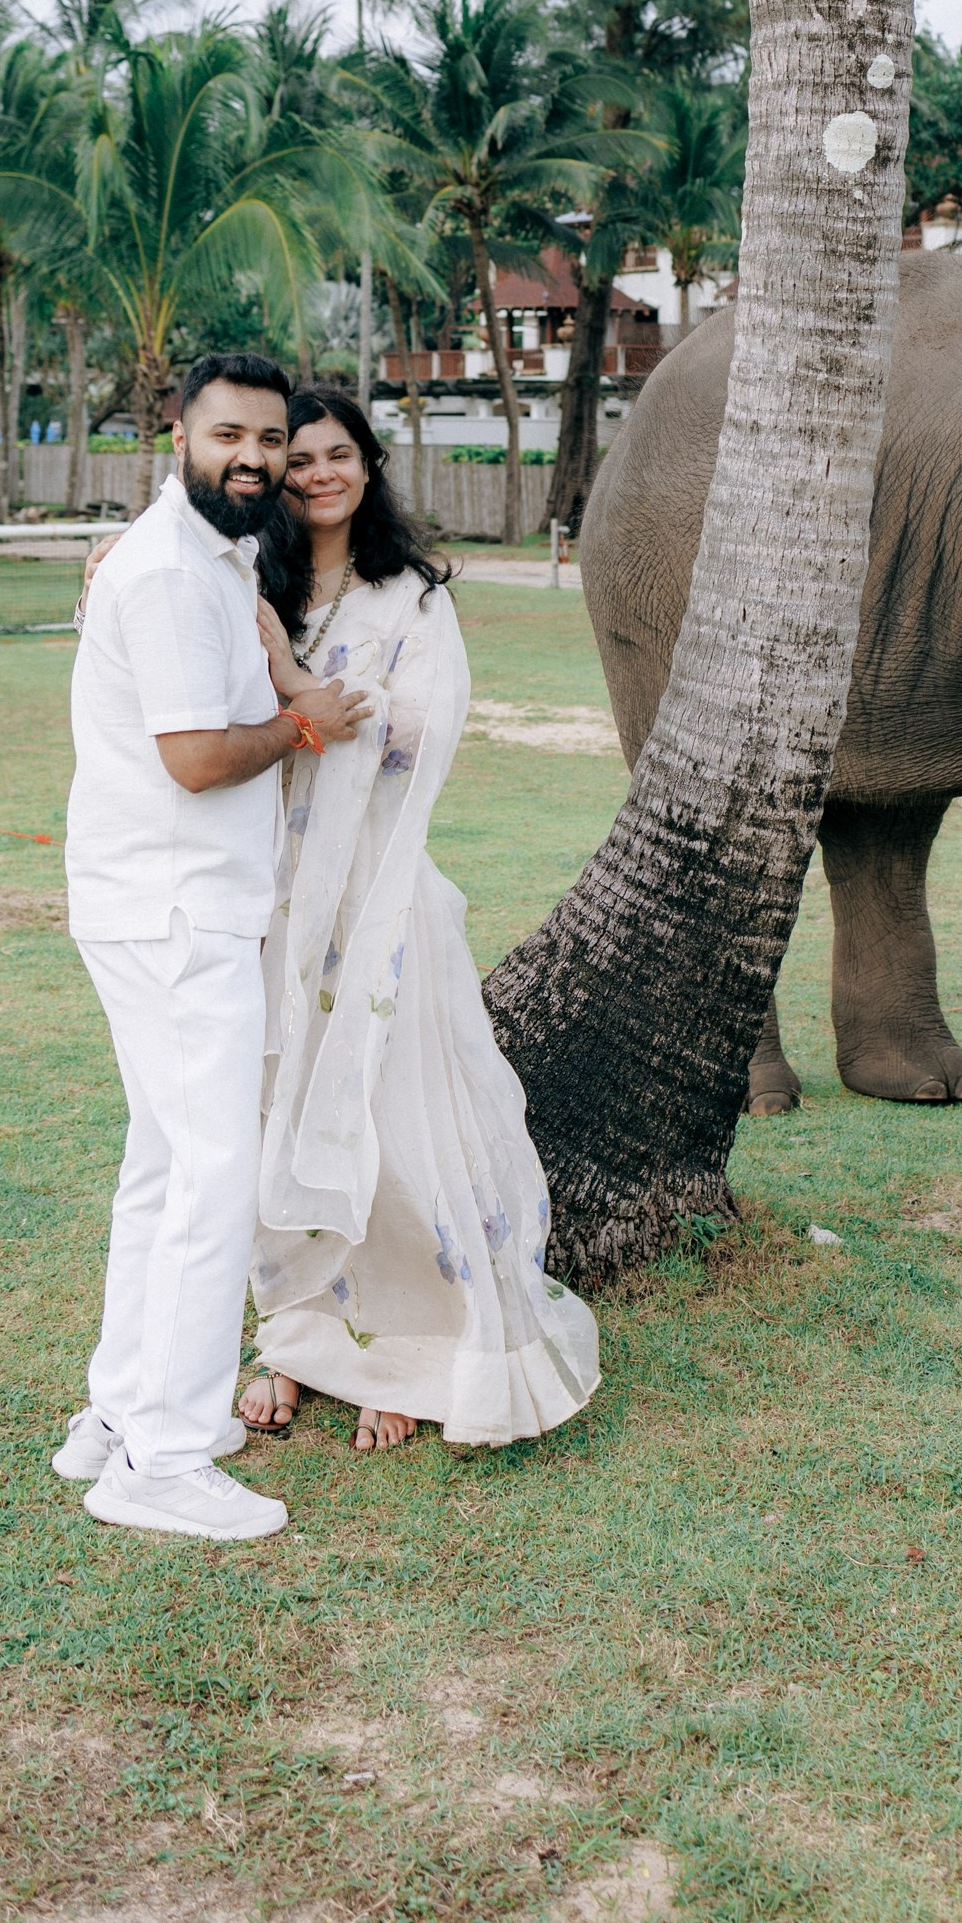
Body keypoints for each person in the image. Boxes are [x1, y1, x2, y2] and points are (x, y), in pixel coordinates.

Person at [238, 386, 600, 1452]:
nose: (316, 475)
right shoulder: (250, 583)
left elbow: (417, 734)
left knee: (387, 1118)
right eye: (295, 458)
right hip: (267, 889)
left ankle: (407, 1350)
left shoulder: (409, 597)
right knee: (279, 1103)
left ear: (366, 466)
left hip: (378, 890)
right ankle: (298, 1336)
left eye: (336, 454)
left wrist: (300, 686)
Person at [53, 354, 370, 1543]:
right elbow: (193, 759)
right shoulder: (172, 575)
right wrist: (302, 725)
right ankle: (165, 1461)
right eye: (228, 433)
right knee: (208, 1180)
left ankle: (115, 1417)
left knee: (161, 1167)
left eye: (270, 439)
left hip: (160, 904)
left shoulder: (206, 556)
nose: (255, 456)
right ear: (176, 431)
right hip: (176, 910)